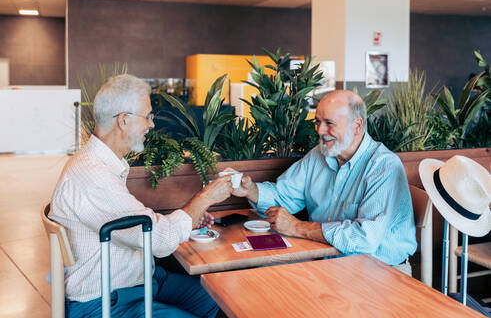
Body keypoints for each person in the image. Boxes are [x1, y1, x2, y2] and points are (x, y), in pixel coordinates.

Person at [50, 74, 232, 317]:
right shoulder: (91, 176)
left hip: (138, 279)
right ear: (123, 120)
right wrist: (207, 196)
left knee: (222, 298)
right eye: (147, 116)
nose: (151, 125)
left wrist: (190, 217)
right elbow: (159, 241)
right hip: (106, 300)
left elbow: (139, 223)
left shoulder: (103, 165)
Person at [232, 90, 417, 274]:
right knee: (256, 273)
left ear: (357, 126)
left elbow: (364, 238)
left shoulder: (384, 166)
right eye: (318, 122)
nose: (320, 131)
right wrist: (250, 190)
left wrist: (297, 227)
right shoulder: (319, 155)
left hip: (381, 270)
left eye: (329, 123)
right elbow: (284, 196)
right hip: (327, 263)